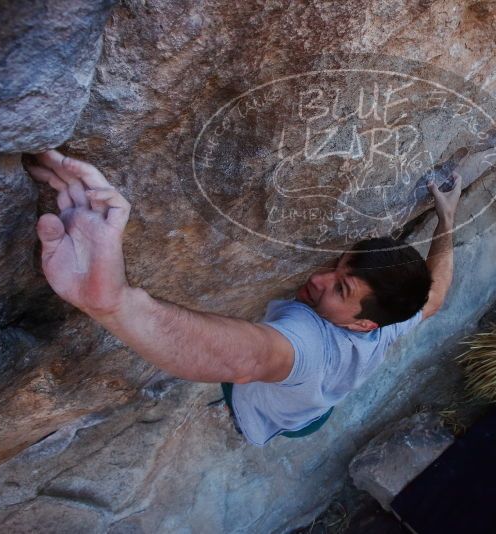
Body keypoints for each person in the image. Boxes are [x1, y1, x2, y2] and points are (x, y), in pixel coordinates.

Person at [25, 149, 461, 445]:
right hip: (313, 412)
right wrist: (448, 217)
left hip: (272, 415)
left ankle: (242, 421)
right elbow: (436, 293)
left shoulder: (308, 344)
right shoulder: (391, 321)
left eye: (341, 289)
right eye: (337, 265)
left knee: (248, 393)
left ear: (363, 323)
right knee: (306, 409)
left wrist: (115, 302)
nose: (319, 278)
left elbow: (249, 360)